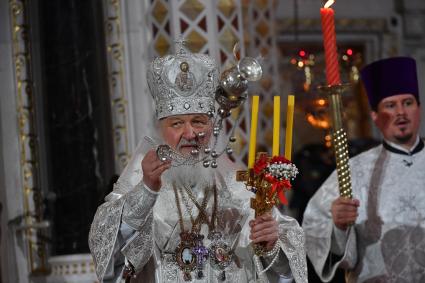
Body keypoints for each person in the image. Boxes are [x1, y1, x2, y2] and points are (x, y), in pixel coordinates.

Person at [89, 45, 308, 283]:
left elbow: (284, 256)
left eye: (198, 121)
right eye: (177, 124)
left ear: (212, 126)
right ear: (161, 130)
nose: (190, 133)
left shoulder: (235, 182)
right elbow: (105, 245)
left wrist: (271, 243)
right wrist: (147, 190)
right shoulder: (140, 178)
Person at [302, 56, 425, 282]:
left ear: (418, 108)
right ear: (375, 117)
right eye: (390, 105)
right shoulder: (354, 171)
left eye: (408, 103)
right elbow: (315, 227)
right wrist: (338, 226)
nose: (401, 112)